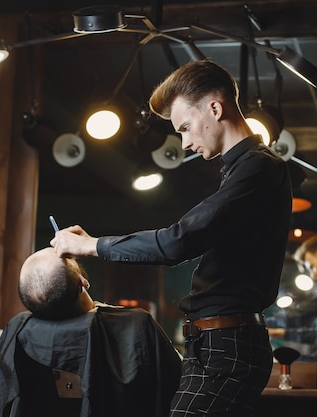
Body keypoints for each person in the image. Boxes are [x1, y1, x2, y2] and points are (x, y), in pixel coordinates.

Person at [50, 59, 292, 417]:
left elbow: (177, 242)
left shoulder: (258, 167)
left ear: (214, 107)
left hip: (230, 344)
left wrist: (91, 245)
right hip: (212, 343)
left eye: (185, 127)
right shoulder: (240, 170)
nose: (185, 142)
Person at [0, 247, 181, 417]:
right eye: (64, 257)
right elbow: (174, 386)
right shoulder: (137, 324)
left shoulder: (19, 329)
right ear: (83, 281)